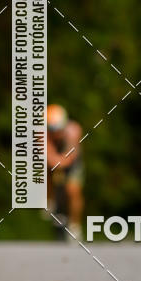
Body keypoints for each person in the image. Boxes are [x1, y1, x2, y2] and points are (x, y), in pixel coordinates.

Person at [46, 104, 84, 242]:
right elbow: (47, 154)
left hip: (72, 162)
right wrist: (55, 162)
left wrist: (59, 162)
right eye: (51, 129)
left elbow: (70, 156)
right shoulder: (41, 133)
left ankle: (75, 226)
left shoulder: (74, 130)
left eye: (57, 129)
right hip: (53, 161)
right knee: (43, 172)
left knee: (73, 190)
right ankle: (48, 199)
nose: (55, 133)